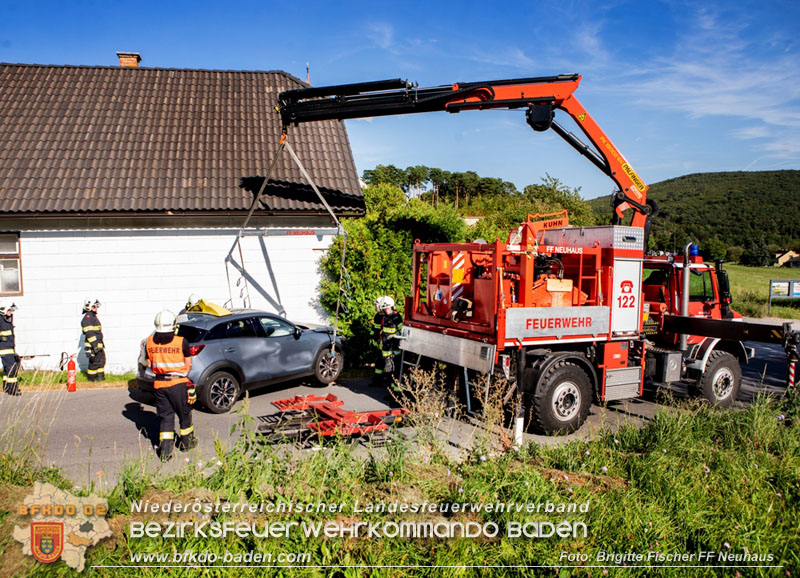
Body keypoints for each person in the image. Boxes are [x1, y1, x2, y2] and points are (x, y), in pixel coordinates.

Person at [144, 309, 197, 461]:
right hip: (178, 384)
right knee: (184, 414)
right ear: (173, 325)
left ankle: (166, 452)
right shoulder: (181, 342)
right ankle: (187, 444)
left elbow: (149, 363)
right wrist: (181, 374)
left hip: (159, 384)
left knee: (165, 418)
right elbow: (188, 364)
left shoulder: (149, 342)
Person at [372, 296, 403, 390]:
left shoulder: (397, 317)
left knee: (394, 370)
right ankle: (390, 390)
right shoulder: (383, 317)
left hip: (394, 348)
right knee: (388, 370)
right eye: (385, 308)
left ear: (392, 307)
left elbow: (401, 330)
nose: (386, 310)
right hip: (386, 347)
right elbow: (380, 331)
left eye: (388, 308)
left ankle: (394, 392)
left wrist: (395, 335)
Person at [81, 299, 105, 381]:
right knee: (94, 363)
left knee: (101, 361)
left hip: (98, 345)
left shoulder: (93, 317)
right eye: (94, 306)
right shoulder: (88, 318)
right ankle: (91, 380)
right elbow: (89, 334)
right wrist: (95, 346)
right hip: (93, 346)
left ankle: (100, 379)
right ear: (88, 307)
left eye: (96, 306)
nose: (96, 308)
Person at [0, 302, 20, 396]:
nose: (11, 312)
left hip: (10, 348)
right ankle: (13, 389)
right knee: (12, 368)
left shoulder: (7, 319)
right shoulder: (1, 319)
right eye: (9, 310)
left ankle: (7, 387)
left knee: (7, 369)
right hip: (4, 348)